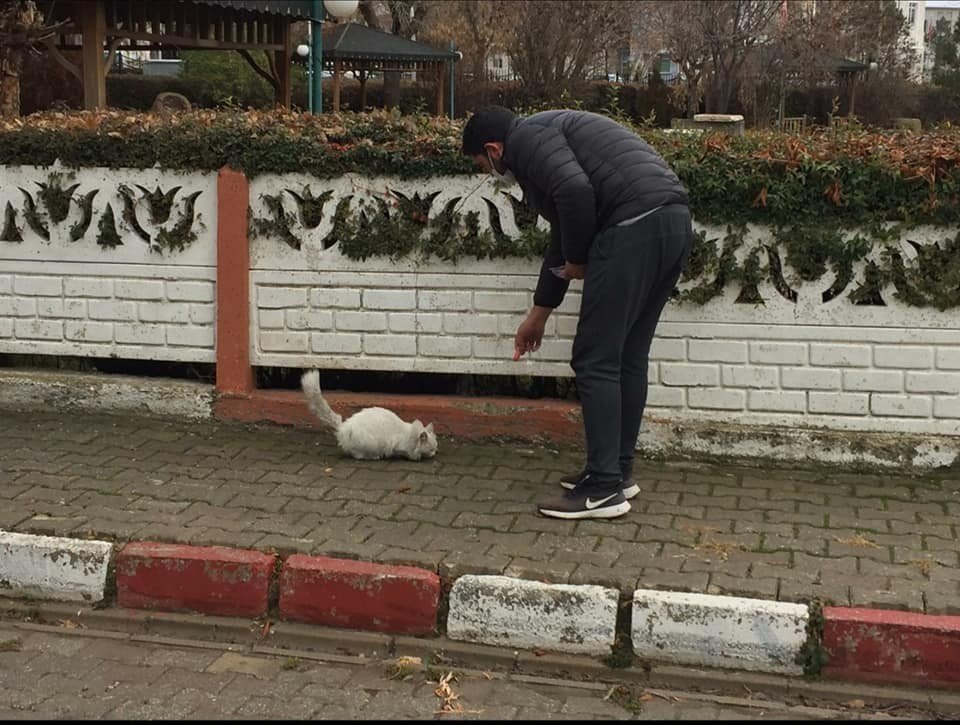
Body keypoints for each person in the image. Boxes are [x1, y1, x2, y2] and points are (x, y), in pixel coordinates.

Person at [461, 106, 693, 520]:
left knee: (595, 358)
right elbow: (566, 227)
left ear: (494, 149)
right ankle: (616, 473)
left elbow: (575, 193)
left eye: (483, 165)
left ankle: (604, 489)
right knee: (626, 356)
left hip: (632, 226)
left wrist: (581, 259)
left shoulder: (528, 140)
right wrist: (540, 313)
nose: (490, 173)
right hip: (671, 222)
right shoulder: (548, 133)